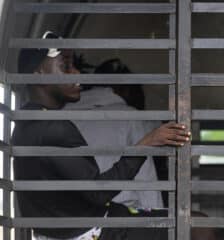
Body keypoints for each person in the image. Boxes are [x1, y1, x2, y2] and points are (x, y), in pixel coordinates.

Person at [12, 31, 191, 240]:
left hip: (84, 227)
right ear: (39, 72)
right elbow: (98, 192)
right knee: (195, 225)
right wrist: (147, 144)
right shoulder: (52, 128)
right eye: (66, 66)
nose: (77, 74)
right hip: (96, 231)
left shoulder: (26, 126)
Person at [64, 59, 163, 210]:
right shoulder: (129, 117)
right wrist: (159, 222)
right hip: (116, 220)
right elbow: (145, 181)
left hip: (70, 216)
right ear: (124, 89)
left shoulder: (63, 114)